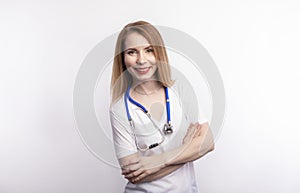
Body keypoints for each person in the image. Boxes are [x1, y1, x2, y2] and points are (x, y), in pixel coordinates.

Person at [109, 20, 214, 193]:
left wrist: (157, 162)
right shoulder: (119, 109)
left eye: (149, 50)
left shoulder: (179, 89)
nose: (141, 60)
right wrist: (187, 149)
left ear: (159, 53)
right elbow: (133, 173)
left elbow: (208, 142)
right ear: (122, 58)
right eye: (132, 52)